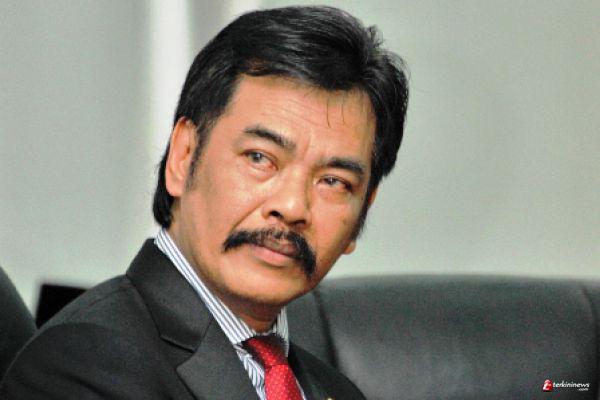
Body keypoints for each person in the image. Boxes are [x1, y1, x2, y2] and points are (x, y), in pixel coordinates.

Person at [0, 6, 408, 399]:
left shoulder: (336, 390)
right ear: (183, 157)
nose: (292, 207)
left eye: (333, 182)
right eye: (260, 158)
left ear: (363, 212)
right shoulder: (84, 363)